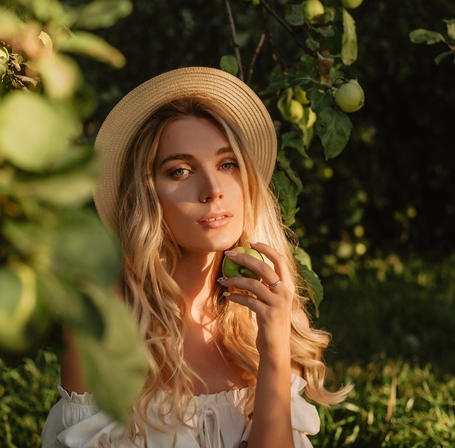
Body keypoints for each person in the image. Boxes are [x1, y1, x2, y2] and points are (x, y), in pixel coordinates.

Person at [41, 67, 352, 447]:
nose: (212, 190)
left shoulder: (271, 316)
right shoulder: (104, 321)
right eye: (180, 171)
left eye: (227, 164)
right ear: (147, 196)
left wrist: (273, 347)